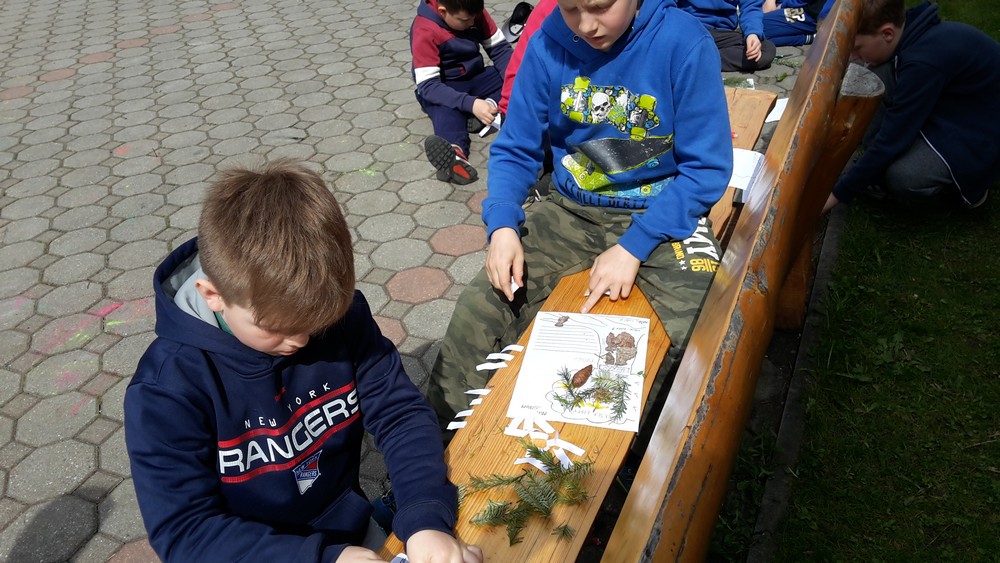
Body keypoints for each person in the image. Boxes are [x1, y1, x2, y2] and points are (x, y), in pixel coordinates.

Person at [124, 159, 481, 563]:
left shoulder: (337, 317)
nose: (301, 340)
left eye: (316, 323)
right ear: (213, 295)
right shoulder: (167, 389)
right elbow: (186, 532)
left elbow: (399, 413)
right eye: (276, 327)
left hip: (350, 532)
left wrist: (425, 517)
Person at [427, 0, 733, 431]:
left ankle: (645, 453)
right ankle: (437, 444)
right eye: (571, 9)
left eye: (600, 7)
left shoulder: (684, 43)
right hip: (571, 209)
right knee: (481, 305)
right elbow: (515, 149)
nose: (587, 25)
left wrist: (634, 245)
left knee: (708, 329)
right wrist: (502, 226)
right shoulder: (546, 45)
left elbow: (706, 169)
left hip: (665, 214)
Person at [824, 0, 1000, 212]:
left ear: (887, 34)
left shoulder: (923, 63)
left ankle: (972, 184)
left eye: (858, 48)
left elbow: (893, 139)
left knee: (903, 176)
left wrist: (837, 195)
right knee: (867, 77)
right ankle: (873, 169)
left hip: (979, 132)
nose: (854, 55)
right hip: (957, 105)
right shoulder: (913, 32)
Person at [411, 0, 513, 185]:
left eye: (475, 17)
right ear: (443, 11)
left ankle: (488, 108)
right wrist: (471, 104)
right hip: (443, 87)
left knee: (514, 75)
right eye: (465, 20)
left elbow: (500, 50)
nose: (472, 23)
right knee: (445, 113)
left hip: (476, 78)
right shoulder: (425, 30)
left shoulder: (473, 12)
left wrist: (514, 79)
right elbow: (428, 86)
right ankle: (455, 155)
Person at [678, 0, 776, 71]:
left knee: (766, 49)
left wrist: (752, 33)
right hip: (692, 29)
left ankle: (692, 61)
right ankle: (690, 60)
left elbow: (751, 6)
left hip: (723, 34)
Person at [762, 0, 836, 47]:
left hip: (809, 11)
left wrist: (782, 5)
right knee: (760, 36)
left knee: (760, 30)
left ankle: (810, 38)